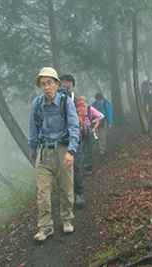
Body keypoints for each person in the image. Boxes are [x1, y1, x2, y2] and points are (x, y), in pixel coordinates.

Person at [28, 67, 80, 242]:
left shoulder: (66, 102)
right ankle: (45, 227)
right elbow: (33, 129)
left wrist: (71, 151)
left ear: (57, 84)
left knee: (66, 188)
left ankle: (67, 218)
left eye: (50, 82)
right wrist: (32, 149)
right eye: (43, 84)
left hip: (63, 150)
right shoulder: (37, 104)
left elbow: (74, 128)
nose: (46, 87)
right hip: (43, 152)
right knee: (42, 191)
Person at [59, 74, 86, 206]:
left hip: (76, 138)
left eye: (68, 86)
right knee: (63, 169)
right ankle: (67, 196)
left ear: (72, 86)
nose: (66, 89)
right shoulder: (56, 100)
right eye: (63, 86)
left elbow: (80, 118)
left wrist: (69, 124)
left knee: (75, 167)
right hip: (61, 140)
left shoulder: (78, 100)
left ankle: (79, 193)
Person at [81, 96, 104, 172]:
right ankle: (86, 165)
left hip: (88, 131)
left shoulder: (89, 109)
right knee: (85, 149)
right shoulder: (80, 109)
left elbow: (101, 116)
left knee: (88, 150)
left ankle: (89, 167)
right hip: (82, 131)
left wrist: (93, 121)